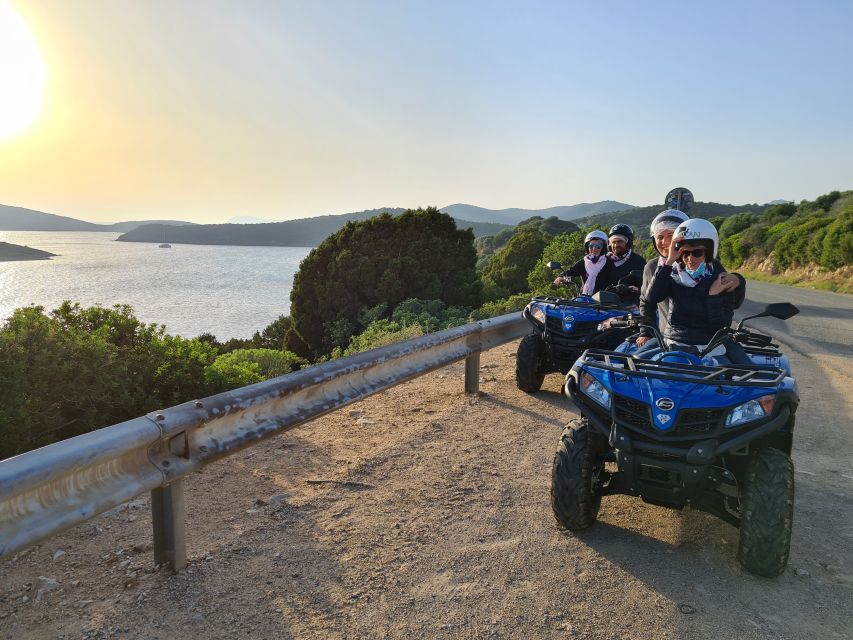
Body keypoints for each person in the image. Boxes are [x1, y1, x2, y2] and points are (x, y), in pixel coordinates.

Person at [642, 218, 747, 360]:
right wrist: (669, 262)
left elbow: (721, 326)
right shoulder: (672, 274)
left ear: (709, 252)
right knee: (632, 366)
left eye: (696, 252)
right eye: (685, 253)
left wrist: (713, 296)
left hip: (710, 348)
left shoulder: (720, 279)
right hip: (672, 344)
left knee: (747, 377)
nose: (690, 258)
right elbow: (650, 299)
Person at [553, 230, 613, 295]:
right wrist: (561, 276)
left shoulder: (609, 262)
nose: (594, 249)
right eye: (591, 246)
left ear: (603, 248)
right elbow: (571, 271)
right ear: (587, 247)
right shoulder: (583, 262)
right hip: (585, 297)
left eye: (598, 246)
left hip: (604, 300)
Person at [606, 224, 647, 288]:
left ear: (628, 243)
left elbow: (645, 286)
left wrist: (637, 289)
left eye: (620, 241)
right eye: (613, 242)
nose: (616, 245)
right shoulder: (604, 261)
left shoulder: (639, 261)